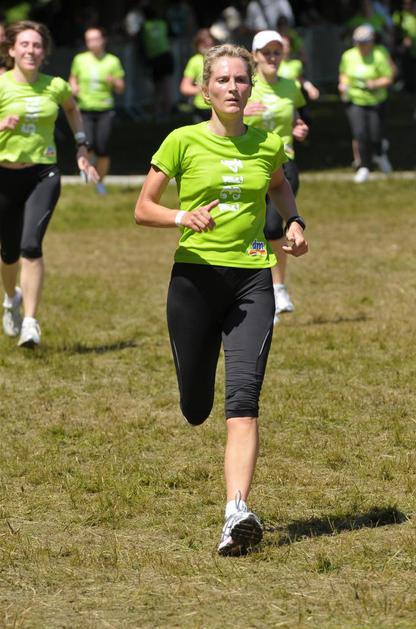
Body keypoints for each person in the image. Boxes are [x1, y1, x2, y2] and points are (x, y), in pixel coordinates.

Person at [134, 43, 308, 556]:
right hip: (194, 281)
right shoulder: (182, 141)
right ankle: (195, 397)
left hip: (252, 280)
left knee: (244, 402)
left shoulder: (268, 144)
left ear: (250, 88)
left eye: (241, 80)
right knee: (195, 406)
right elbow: (143, 208)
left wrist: (295, 222)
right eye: (224, 80)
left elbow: (279, 186)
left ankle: (236, 512)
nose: (233, 88)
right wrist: (181, 216)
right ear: (206, 89)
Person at [0, 20, 98, 348]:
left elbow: (71, 108)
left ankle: (30, 322)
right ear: (12, 50)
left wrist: (81, 144)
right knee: (8, 252)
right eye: (24, 44)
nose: (31, 50)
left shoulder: (55, 86)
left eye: (37, 45)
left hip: (44, 173)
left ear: (44, 52)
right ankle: (11, 298)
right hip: (4, 176)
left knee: (31, 245)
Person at [244, 30, 309, 323]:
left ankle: (278, 289)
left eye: (277, 52)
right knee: (253, 229)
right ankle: (258, 292)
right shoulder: (245, 86)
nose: (272, 57)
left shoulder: (290, 86)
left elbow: (295, 118)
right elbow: (221, 121)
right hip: (248, 164)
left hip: (284, 163)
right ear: (255, 56)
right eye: (266, 52)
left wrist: (299, 129)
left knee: (272, 227)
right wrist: (243, 111)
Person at [69, 26, 125, 195]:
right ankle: (87, 170)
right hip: (84, 108)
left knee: (102, 147)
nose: (92, 43)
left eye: (95, 39)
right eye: (89, 40)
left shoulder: (112, 61)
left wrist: (113, 81)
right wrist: (73, 87)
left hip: (105, 109)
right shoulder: (79, 59)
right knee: (88, 144)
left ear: (103, 40)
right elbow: (72, 78)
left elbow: (121, 88)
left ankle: (100, 182)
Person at [339, 23, 394, 183]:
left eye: (364, 42)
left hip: (376, 100)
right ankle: (364, 166)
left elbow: (388, 77)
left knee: (375, 134)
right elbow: (343, 74)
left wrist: (374, 84)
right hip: (355, 100)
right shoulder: (348, 56)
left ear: (371, 42)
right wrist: (343, 84)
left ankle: (380, 154)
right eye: (358, 42)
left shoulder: (379, 54)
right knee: (360, 133)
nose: (361, 45)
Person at [180, 28, 216, 122]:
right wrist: (202, 89)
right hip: (201, 107)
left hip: (218, 106)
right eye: (205, 44)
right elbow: (184, 88)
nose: (208, 48)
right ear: (198, 45)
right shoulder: (195, 61)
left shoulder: (219, 60)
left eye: (211, 44)